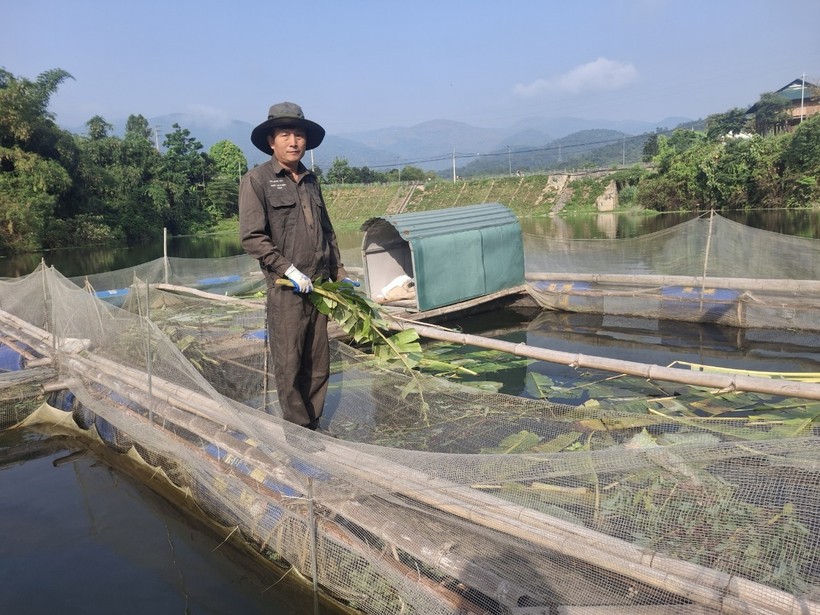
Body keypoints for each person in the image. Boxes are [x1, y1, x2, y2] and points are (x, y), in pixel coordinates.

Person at [239, 102, 351, 430]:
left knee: (318, 363)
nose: (293, 142)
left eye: (299, 135)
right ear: (271, 141)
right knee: (289, 365)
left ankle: (313, 426)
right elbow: (252, 237)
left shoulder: (311, 181)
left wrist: (340, 274)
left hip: (319, 288)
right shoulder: (257, 180)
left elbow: (327, 232)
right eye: (285, 134)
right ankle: (298, 436)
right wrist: (287, 269)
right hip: (287, 290)